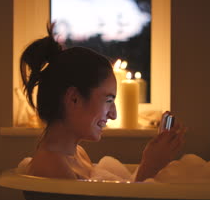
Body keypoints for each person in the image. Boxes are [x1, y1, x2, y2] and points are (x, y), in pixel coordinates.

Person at [20, 24, 186, 182]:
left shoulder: (77, 154)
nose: (113, 115)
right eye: (108, 100)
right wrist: (150, 167)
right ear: (74, 98)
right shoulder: (52, 167)